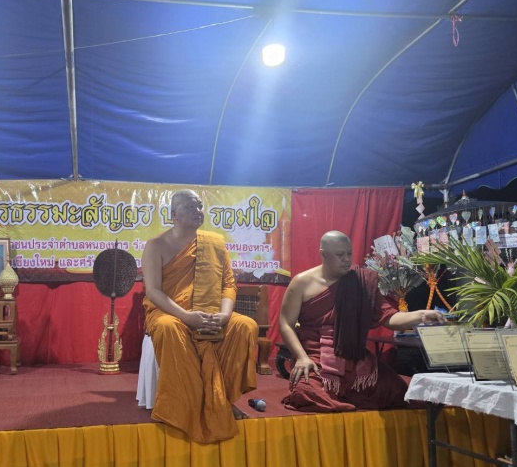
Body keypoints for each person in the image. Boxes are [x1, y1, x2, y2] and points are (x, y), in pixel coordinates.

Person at [278, 230, 447, 412]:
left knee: (396, 390)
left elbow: (389, 317)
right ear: (323, 254)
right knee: (306, 393)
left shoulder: (360, 281)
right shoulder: (302, 282)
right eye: (340, 255)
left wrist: (420, 316)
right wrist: (302, 357)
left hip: (353, 355)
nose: (346, 259)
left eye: (349, 254)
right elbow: (285, 324)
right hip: (316, 355)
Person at [142, 189, 259, 444]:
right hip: (170, 312)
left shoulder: (214, 243)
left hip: (211, 311)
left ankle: (221, 401)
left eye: (200, 206)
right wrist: (186, 316)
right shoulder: (156, 245)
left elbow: (228, 284)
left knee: (245, 326)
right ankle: (186, 409)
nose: (198, 211)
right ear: (173, 214)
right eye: (191, 207)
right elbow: (153, 291)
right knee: (169, 328)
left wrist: (225, 315)